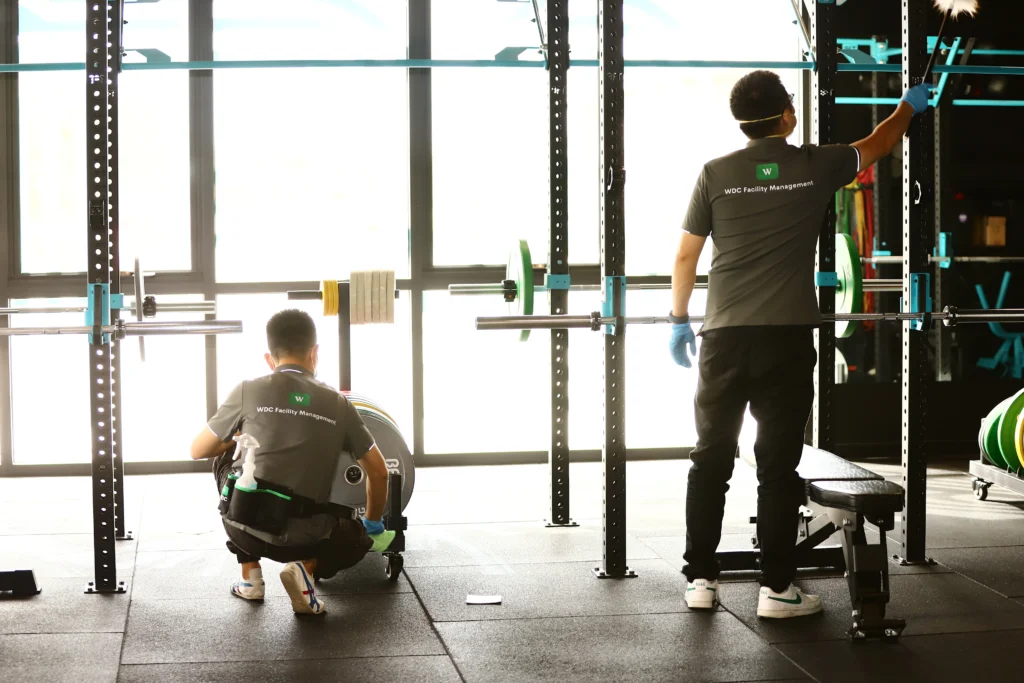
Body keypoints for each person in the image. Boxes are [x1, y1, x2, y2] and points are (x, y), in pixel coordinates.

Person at [669, 71, 932, 618]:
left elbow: (686, 258)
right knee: (777, 464)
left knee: (710, 459)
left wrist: (678, 320)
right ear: (786, 116)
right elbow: (880, 143)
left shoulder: (714, 173)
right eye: (792, 105)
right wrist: (908, 107)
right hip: (784, 340)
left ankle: (700, 580)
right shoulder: (816, 165)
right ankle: (777, 590)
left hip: (722, 335)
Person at [190, 309, 394, 616]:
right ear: (315, 353)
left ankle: (250, 578)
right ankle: (306, 568)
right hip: (309, 538)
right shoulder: (339, 404)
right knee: (359, 539)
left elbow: (197, 449)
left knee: (223, 457)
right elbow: (379, 473)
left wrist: (237, 436)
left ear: (269, 359)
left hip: (244, 526)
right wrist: (373, 524)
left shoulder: (247, 389)